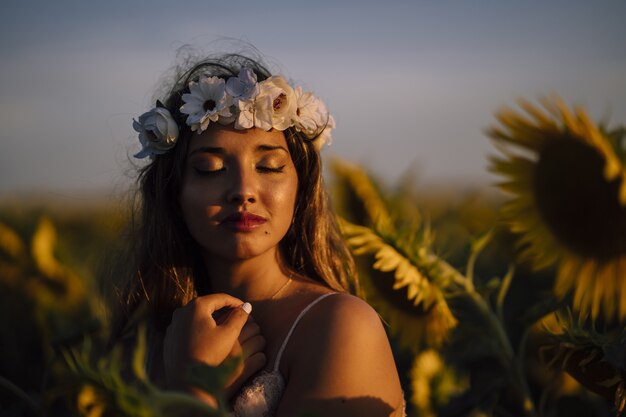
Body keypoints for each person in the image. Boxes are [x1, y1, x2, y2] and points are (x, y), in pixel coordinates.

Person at [109, 52, 405, 416]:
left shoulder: (339, 327)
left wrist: (192, 390)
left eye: (269, 166)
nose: (243, 190)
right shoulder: (141, 340)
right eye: (210, 168)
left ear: (301, 185)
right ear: (173, 191)